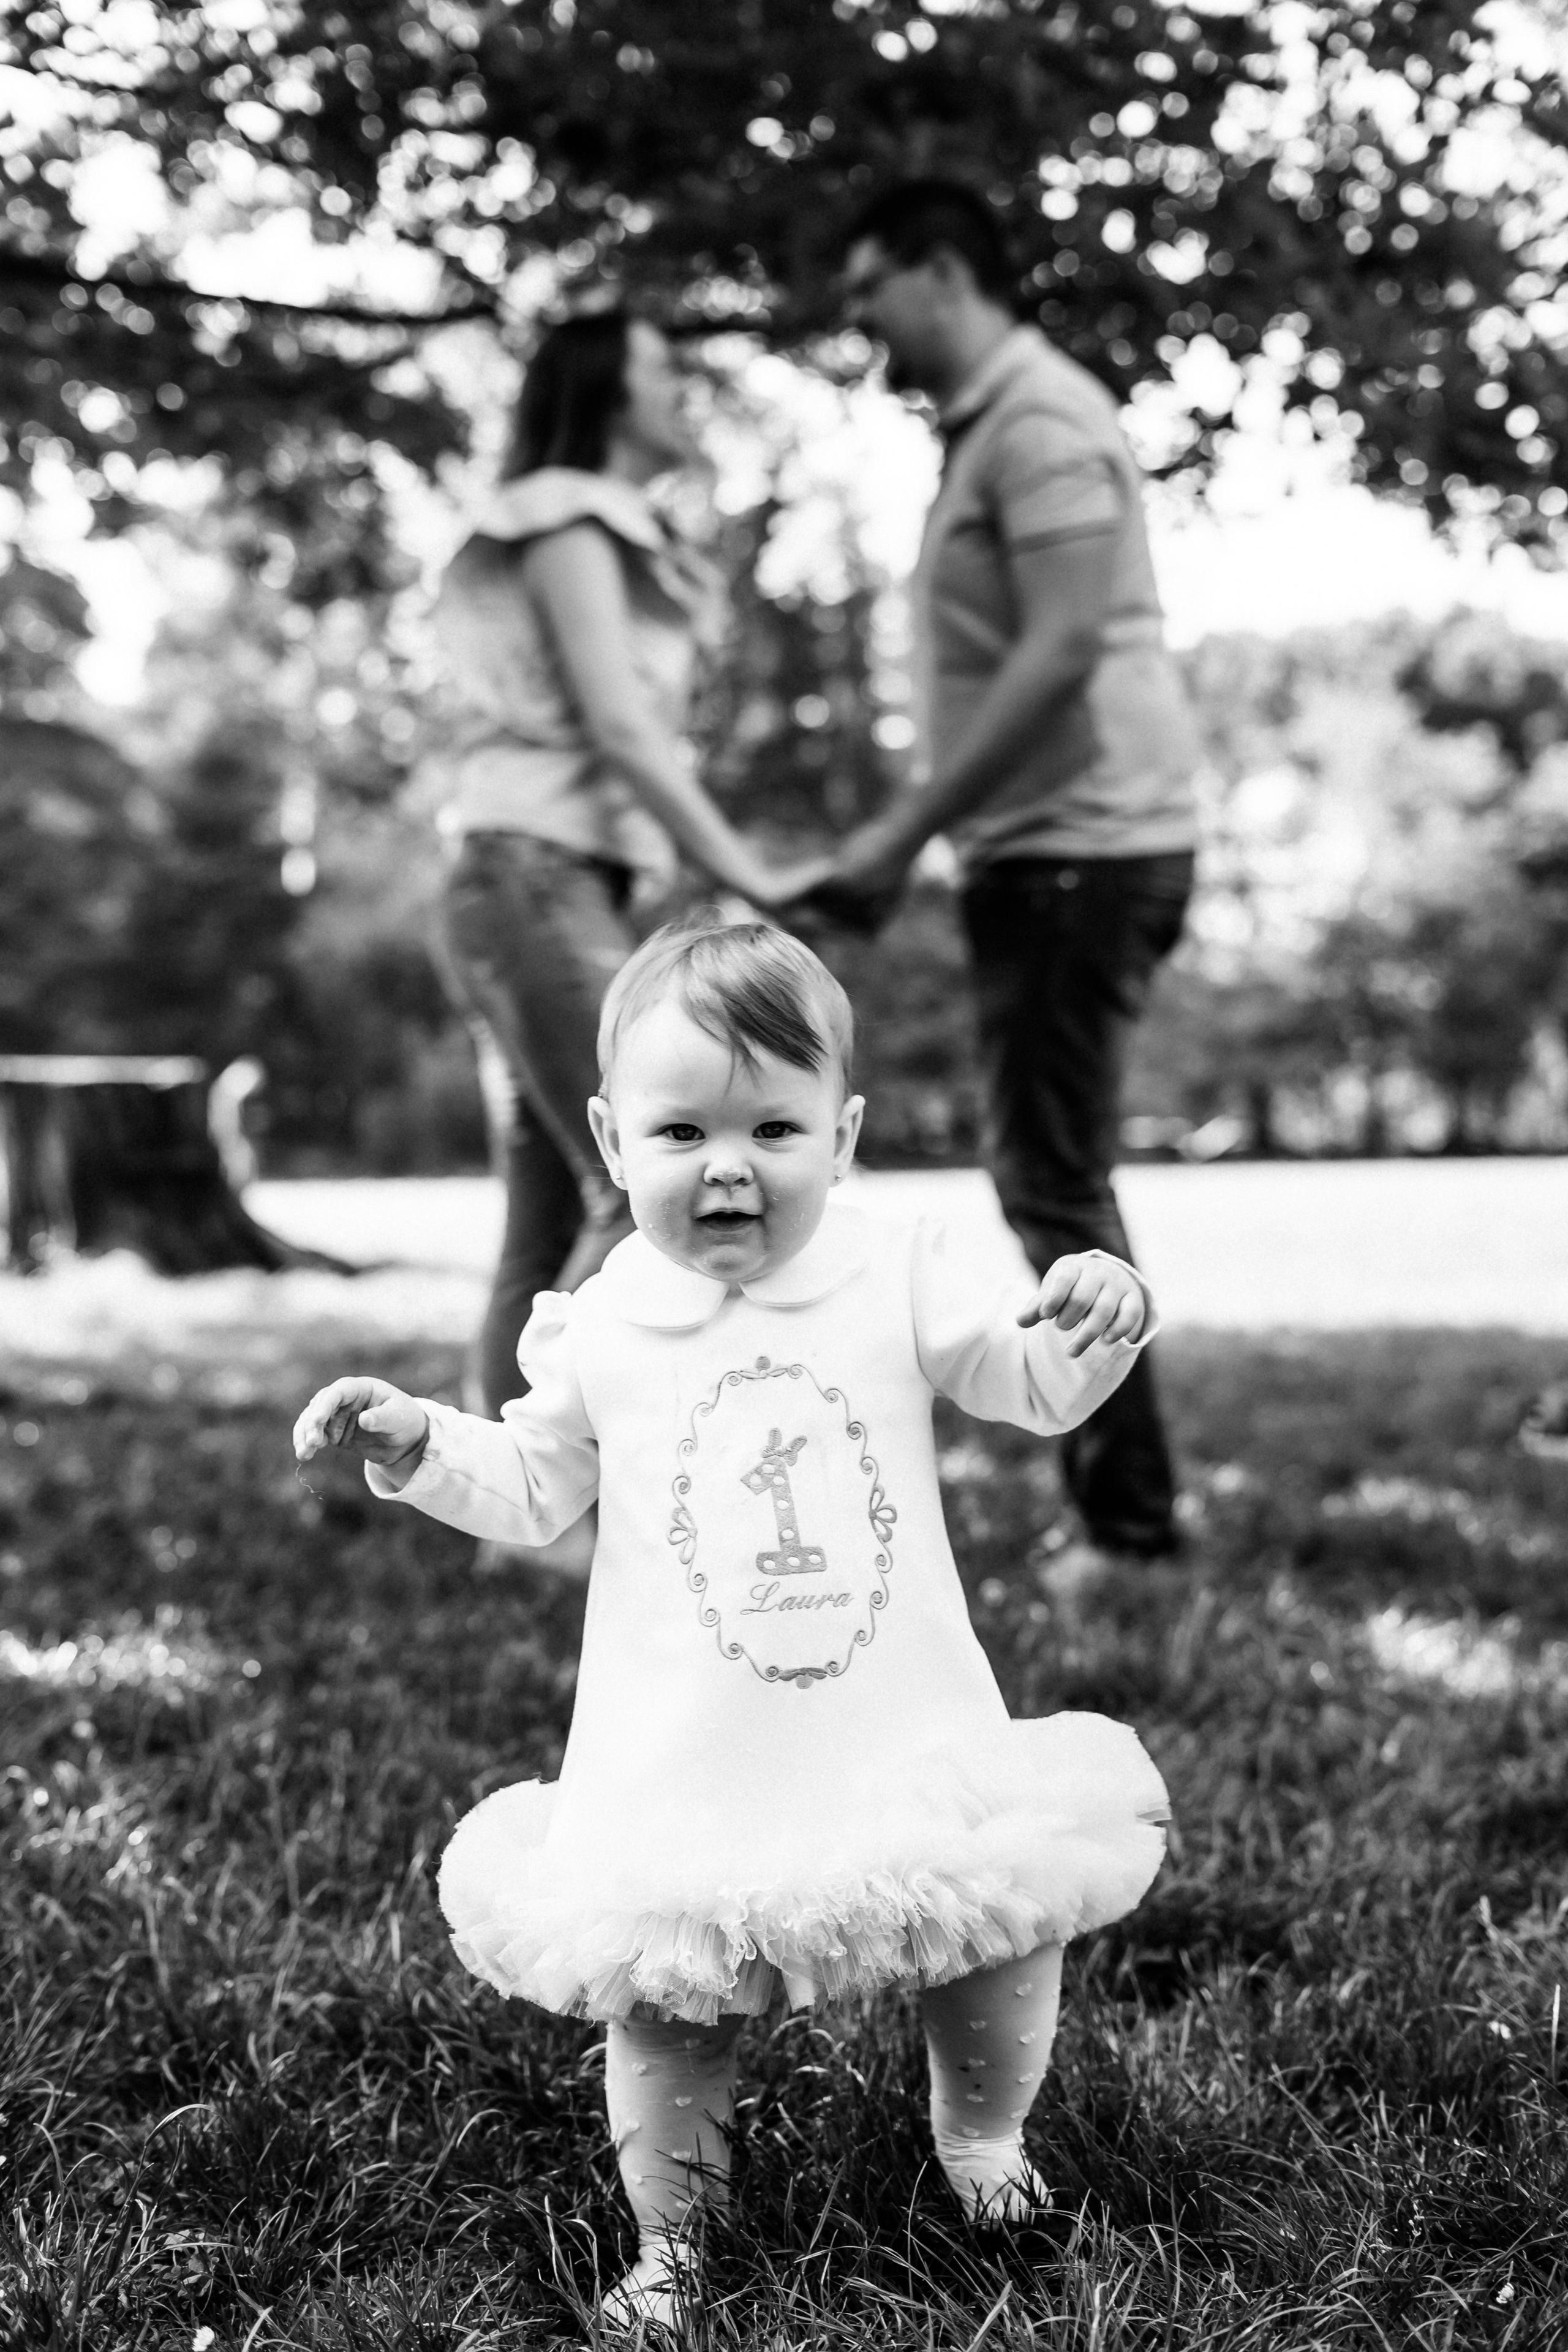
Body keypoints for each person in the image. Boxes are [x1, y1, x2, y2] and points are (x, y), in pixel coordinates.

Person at [295, 915, 1169, 2336]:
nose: (728, 1164)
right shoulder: (601, 1325)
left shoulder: (896, 1270)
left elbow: (1023, 1384)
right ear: (608, 1136)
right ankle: (677, 2241)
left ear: (843, 1134)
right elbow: (531, 1486)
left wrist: (1089, 1323)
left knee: (995, 1923)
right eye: (681, 1129)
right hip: (686, 1758)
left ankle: (981, 2143)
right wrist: (418, 1442)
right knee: (670, 2004)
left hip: (901, 1724)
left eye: (775, 1125)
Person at [820, 180, 1202, 1581]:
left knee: (1048, 1172)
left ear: (938, 272)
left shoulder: (1037, 420)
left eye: (870, 286)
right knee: (1046, 1169)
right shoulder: (992, 428)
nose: (855, 317)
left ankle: (1131, 1528)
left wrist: (901, 830)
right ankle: (1127, 1514)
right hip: (1046, 847)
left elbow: (1055, 657)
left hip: (1077, 848)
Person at [426, 303, 827, 1435]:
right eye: (662, 370)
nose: (681, 391)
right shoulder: (562, 518)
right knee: (634, 1193)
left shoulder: (629, 538)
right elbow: (619, 725)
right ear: (604, 390)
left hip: (554, 885)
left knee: (550, 1212)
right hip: (526, 880)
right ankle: (563, 1498)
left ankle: (518, 1513)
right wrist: (746, 870)